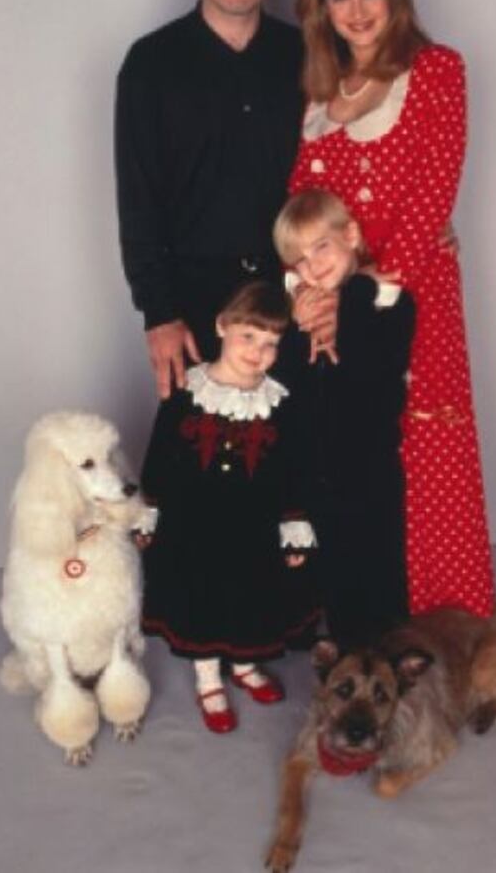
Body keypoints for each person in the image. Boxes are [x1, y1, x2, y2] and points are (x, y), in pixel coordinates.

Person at [289, 0, 496, 619]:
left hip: (413, 294)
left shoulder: (436, 70)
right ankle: (369, 614)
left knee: (424, 442)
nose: (357, 13)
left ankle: (443, 619)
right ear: (321, 8)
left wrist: (364, 295)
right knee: (356, 453)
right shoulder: (320, 91)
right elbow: (301, 207)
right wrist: (309, 293)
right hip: (336, 299)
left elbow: (433, 194)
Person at [114, 0, 303, 397]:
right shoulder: (151, 64)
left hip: (296, 297)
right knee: (198, 447)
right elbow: (138, 198)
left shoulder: (307, 55)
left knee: (304, 446)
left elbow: (350, 167)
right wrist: (159, 313)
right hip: (193, 310)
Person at [139, 281, 319, 734]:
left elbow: (293, 469)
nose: (258, 352)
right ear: (222, 326)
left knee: (250, 596)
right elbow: (159, 457)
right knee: (201, 597)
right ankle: (208, 680)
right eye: (248, 336)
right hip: (193, 526)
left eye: (271, 343)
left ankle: (244, 665)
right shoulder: (187, 391)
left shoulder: (278, 402)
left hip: (253, 529)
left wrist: (293, 525)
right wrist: (149, 512)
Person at [274, 189, 415, 644]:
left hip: (369, 467)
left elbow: (366, 372)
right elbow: (283, 386)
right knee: (330, 571)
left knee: (378, 569)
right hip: (315, 470)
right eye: (299, 260)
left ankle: (388, 656)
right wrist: (298, 328)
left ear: (351, 235)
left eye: (321, 247)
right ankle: (339, 650)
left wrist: (354, 291)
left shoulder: (387, 302)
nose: (313, 266)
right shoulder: (302, 312)